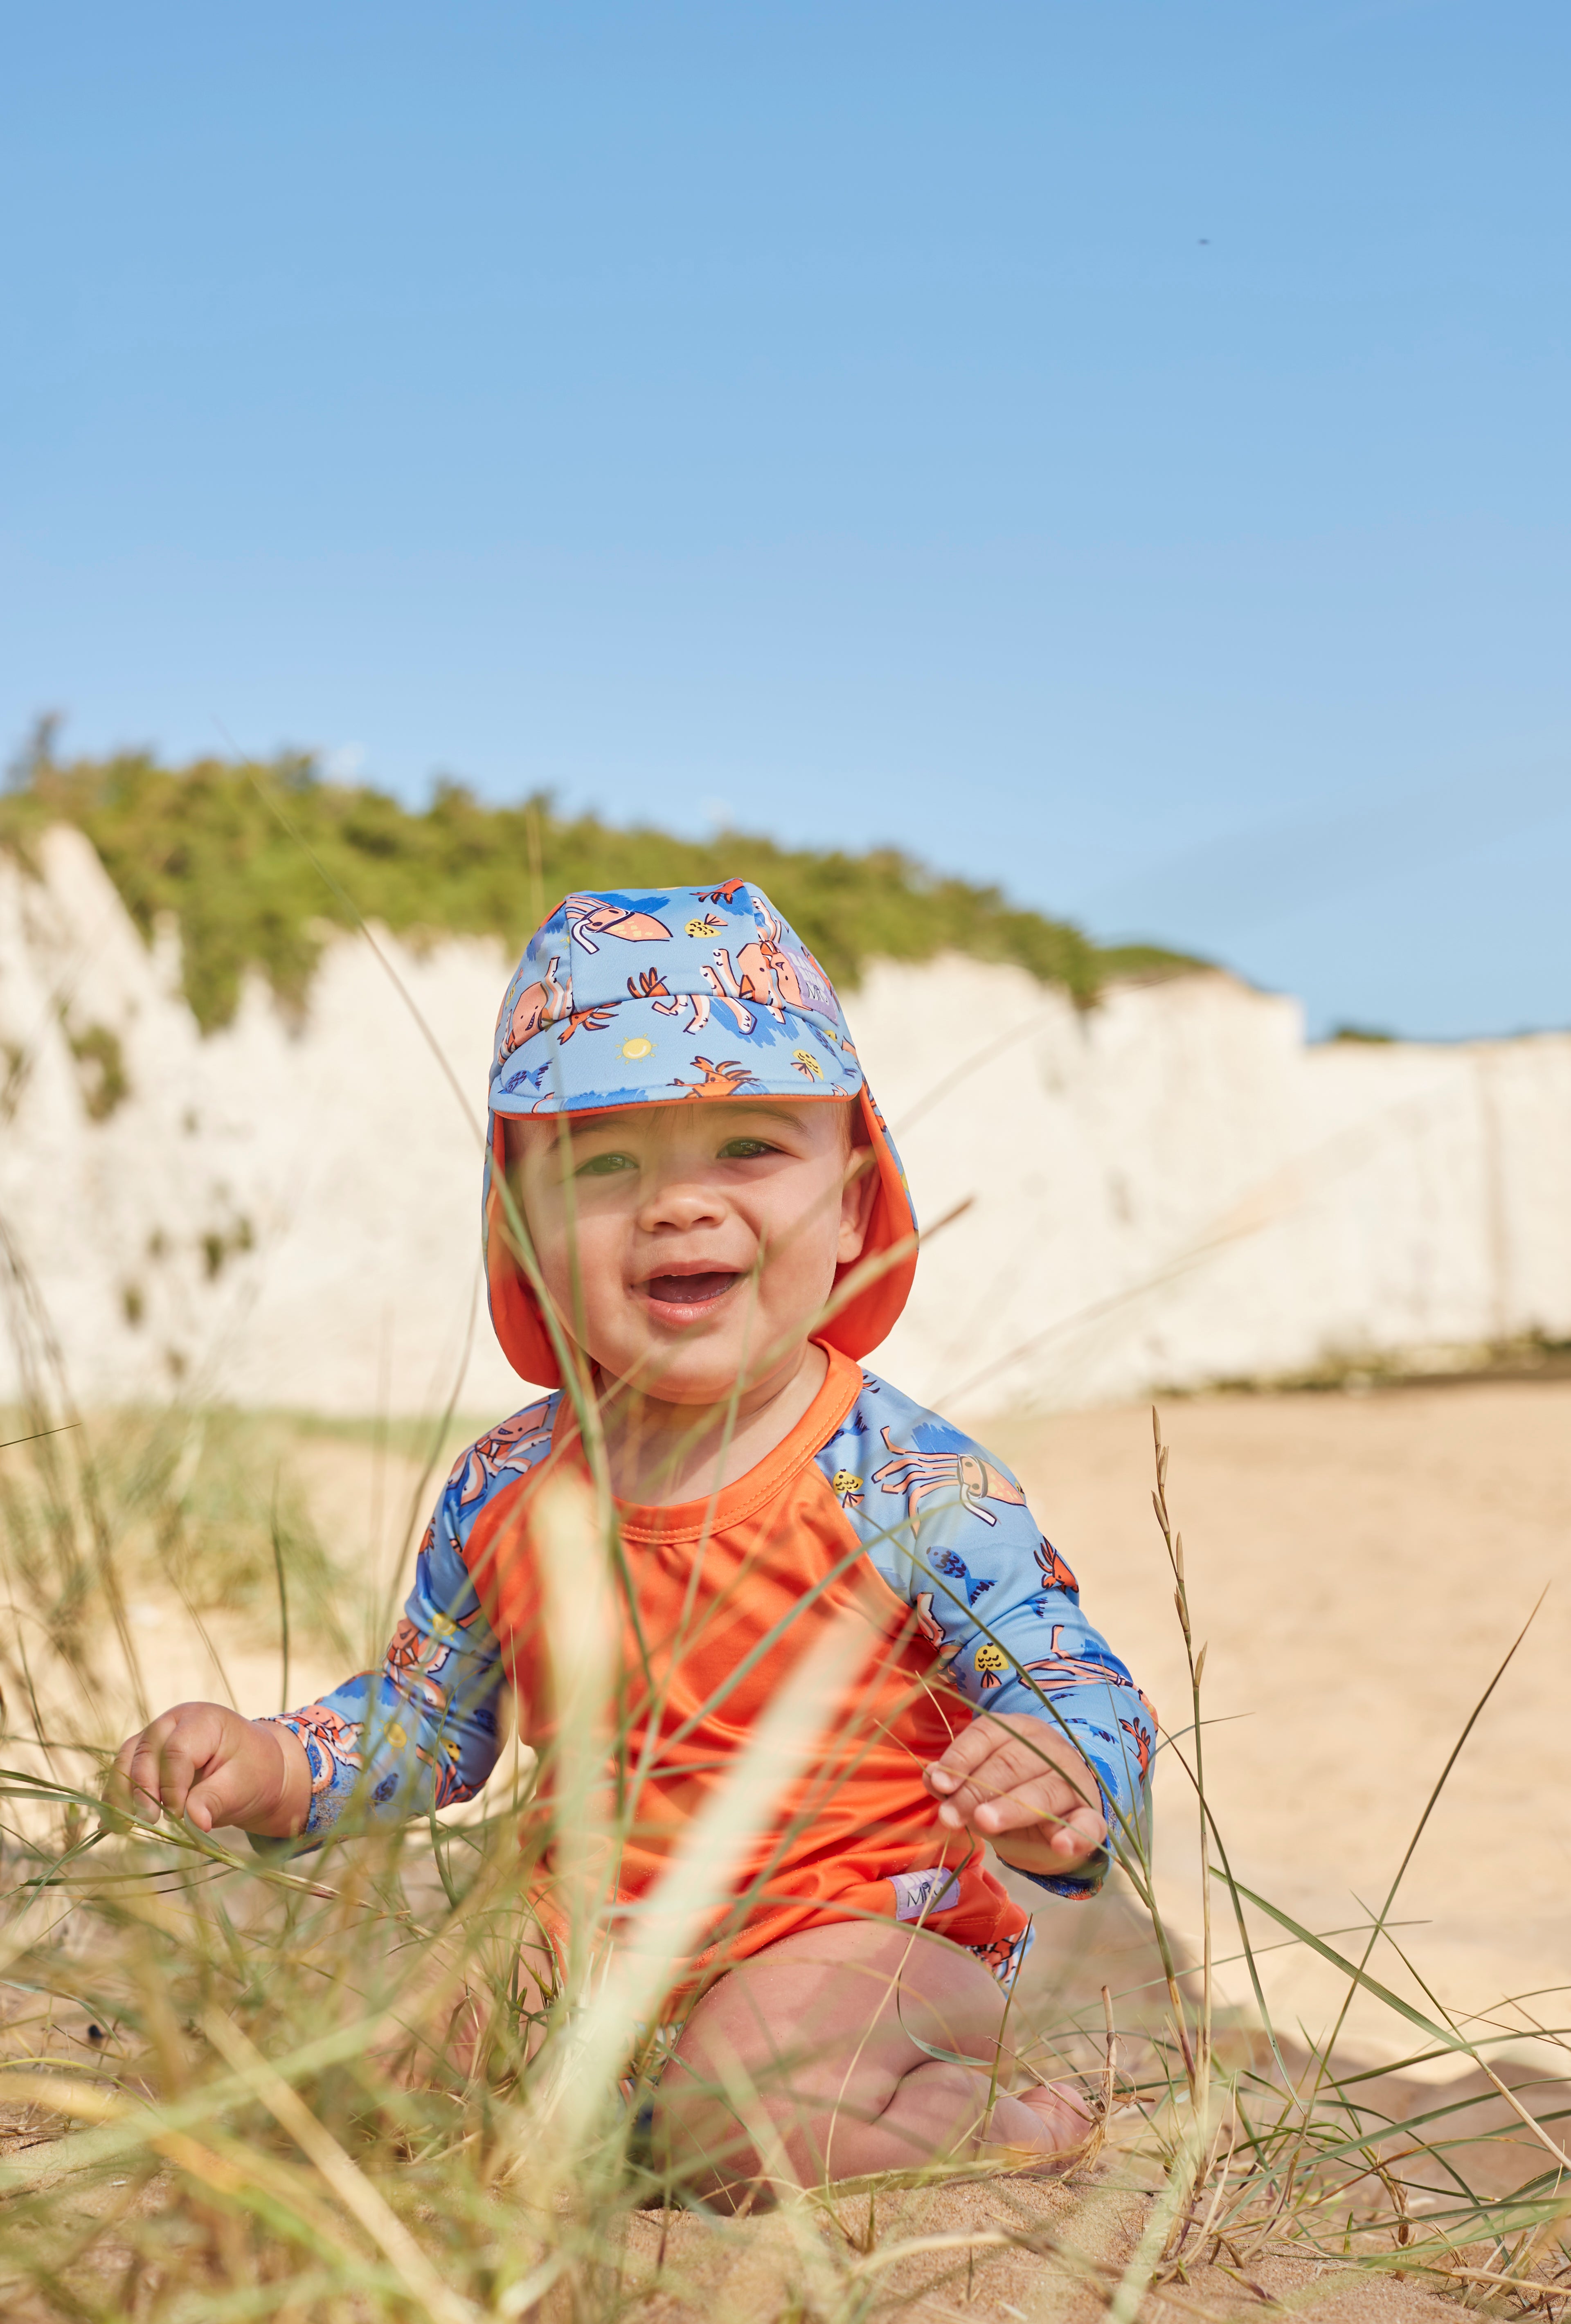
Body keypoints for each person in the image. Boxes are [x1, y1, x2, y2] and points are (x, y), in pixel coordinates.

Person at [111, 880, 1155, 2197]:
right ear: (527, 1233)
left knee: (743, 2116)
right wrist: (270, 1762)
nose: (678, 1206)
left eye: (750, 1149)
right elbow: (434, 1727)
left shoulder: (907, 1481)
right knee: (374, 2090)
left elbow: (1076, 1681)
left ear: (852, 1205)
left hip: (863, 1940)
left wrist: (1056, 1779)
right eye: (605, 1163)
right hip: (585, 1932)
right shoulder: (507, 1486)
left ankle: (1007, 2118)